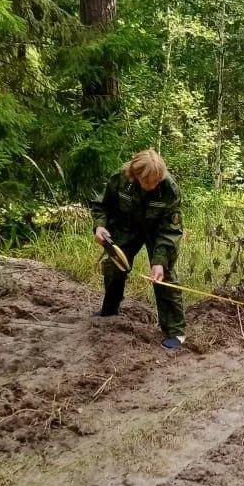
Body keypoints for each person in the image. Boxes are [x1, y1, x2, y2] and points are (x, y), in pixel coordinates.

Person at [91, 149, 186, 351]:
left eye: (156, 182)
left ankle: (175, 331)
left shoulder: (169, 188)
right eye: (148, 182)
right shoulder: (120, 178)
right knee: (114, 265)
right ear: (135, 176)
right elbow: (102, 206)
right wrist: (100, 226)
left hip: (158, 232)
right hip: (127, 228)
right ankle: (109, 312)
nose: (153, 186)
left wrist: (159, 260)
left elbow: (170, 229)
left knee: (164, 275)